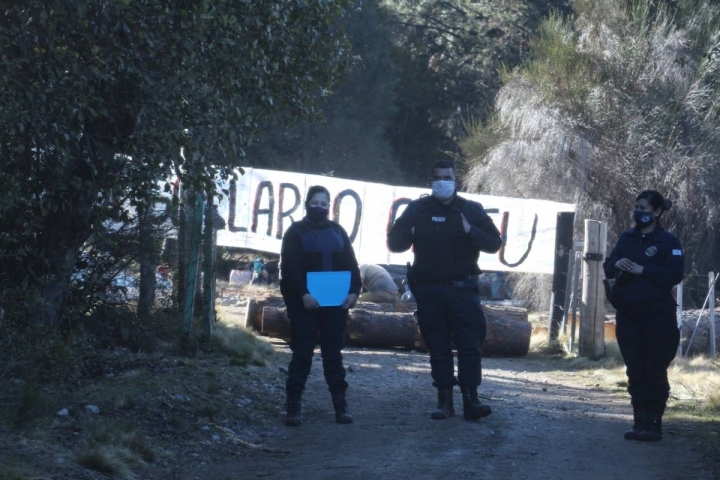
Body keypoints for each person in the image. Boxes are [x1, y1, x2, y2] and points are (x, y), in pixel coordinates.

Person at [387, 160, 502, 421]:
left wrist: (470, 231)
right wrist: (411, 231)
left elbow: (494, 243)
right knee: (437, 347)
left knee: (470, 346)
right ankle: (444, 402)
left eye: (447, 177)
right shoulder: (417, 209)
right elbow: (394, 243)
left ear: (455, 180)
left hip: (463, 289)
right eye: (437, 177)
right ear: (430, 180)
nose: (442, 182)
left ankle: (471, 402)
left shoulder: (470, 210)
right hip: (428, 291)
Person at [603, 190, 683, 442]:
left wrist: (642, 270)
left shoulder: (668, 242)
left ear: (657, 212)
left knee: (654, 369)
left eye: (644, 208)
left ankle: (653, 424)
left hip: (658, 316)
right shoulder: (627, 238)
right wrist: (617, 264)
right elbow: (608, 265)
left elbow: (674, 275)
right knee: (635, 369)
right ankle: (639, 421)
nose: (639, 213)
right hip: (629, 314)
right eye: (637, 207)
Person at [279, 185, 361, 426]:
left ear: (330, 207)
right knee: (302, 353)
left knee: (333, 354)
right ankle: (293, 408)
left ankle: (340, 405)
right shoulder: (295, 232)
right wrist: (303, 294)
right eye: (316, 203)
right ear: (307, 204)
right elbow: (289, 270)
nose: (320, 208)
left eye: (324, 204)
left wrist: (355, 292)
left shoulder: (338, 231)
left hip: (334, 305)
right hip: (304, 304)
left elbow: (352, 264)